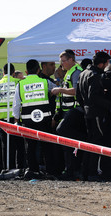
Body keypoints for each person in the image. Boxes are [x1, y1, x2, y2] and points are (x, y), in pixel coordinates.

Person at [13, 59, 57, 179]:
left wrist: (16, 119)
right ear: (38, 70)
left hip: (28, 120)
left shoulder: (20, 84)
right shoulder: (45, 82)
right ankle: (50, 171)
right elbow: (56, 91)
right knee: (47, 145)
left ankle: (33, 170)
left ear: (26, 71)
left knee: (31, 146)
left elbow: (16, 104)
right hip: (45, 119)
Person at [76, 51, 111, 181]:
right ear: (102, 64)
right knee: (98, 143)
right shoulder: (95, 75)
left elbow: (79, 96)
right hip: (96, 113)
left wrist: (86, 108)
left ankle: (86, 172)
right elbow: (94, 97)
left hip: (88, 113)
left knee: (90, 143)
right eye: (107, 63)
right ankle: (93, 173)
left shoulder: (83, 73)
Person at [52, 50, 84, 180]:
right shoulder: (69, 72)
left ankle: (84, 140)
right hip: (68, 111)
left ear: (71, 59)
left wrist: (60, 89)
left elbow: (76, 91)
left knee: (62, 131)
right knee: (66, 143)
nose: (62, 65)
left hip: (76, 111)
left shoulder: (76, 72)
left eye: (64, 61)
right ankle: (69, 171)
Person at [0, 63, 25, 172]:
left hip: (3, 119)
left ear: (3, 72)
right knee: (19, 144)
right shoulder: (18, 82)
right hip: (16, 118)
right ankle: (21, 168)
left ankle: (8, 168)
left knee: (6, 145)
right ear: (14, 72)